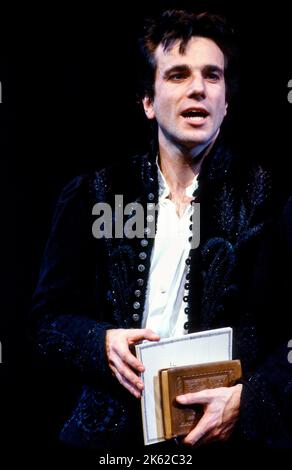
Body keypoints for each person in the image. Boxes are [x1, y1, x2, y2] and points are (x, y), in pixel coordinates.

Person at [31, 9, 292, 453]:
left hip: (224, 439)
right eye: (177, 75)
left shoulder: (270, 199)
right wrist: (100, 343)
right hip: (111, 439)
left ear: (226, 101)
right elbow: (47, 323)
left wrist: (250, 401)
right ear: (148, 102)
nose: (198, 88)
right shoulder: (99, 194)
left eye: (213, 76)